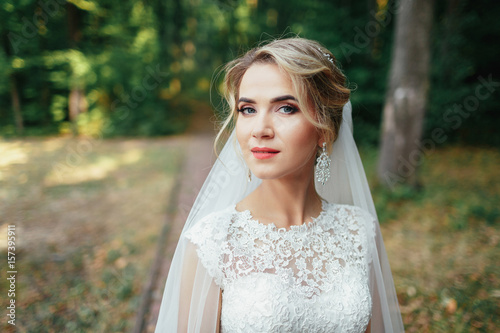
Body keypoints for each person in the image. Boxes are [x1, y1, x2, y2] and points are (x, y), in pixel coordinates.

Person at [154, 37, 404, 332]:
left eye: (285, 108)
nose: (259, 130)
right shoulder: (211, 244)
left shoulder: (359, 230)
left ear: (324, 129)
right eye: (248, 110)